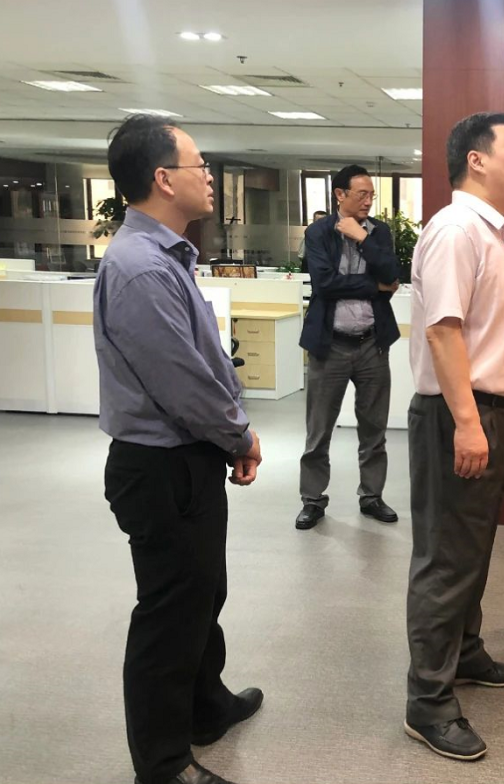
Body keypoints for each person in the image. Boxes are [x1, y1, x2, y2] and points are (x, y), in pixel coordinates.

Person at [94, 114, 264, 784]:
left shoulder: (165, 256)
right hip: (160, 465)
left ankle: (204, 706)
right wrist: (238, 434)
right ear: (164, 179)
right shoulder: (140, 268)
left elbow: (200, 363)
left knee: (201, 593)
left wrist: (227, 434)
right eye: (200, 166)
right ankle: (163, 765)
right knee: (169, 616)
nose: (210, 177)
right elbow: (182, 383)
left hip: (187, 458)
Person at [403, 112, 504, 761]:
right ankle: (427, 701)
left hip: (488, 411)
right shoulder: (456, 229)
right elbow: (442, 330)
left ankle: (465, 652)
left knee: (472, 548)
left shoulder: (491, 232)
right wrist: (467, 422)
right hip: (462, 412)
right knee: (447, 558)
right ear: (476, 160)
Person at [296, 165, 401, 530]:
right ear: (340, 195)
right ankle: (312, 500)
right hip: (331, 346)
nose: (368, 201)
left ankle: (371, 496)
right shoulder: (318, 232)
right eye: (362, 194)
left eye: (371, 195)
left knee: (374, 430)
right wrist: (374, 287)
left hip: (372, 344)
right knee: (318, 431)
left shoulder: (379, 232)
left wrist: (362, 238)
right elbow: (324, 284)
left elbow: (392, 274)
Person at [297, 209, 327, 273]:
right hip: (309, 265)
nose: (320, 223)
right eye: (318, 220)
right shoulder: (310, 233)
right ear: (313, 221)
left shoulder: (332, 234)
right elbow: (301, 254)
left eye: (323, 220)